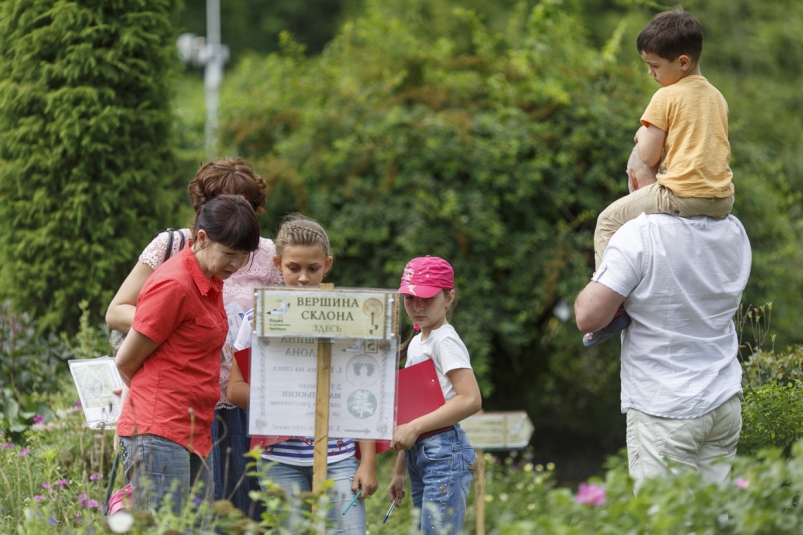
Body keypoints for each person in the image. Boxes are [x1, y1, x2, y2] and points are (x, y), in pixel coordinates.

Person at [106, 157, 281, 516]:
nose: (235, 264)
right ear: (202, 227)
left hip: (210, 414)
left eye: (241, 256)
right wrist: (149, 394)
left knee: (221, 517)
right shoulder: (177, 278)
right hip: (165, 421)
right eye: (229, 253)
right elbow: (126, 355)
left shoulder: (216, 276)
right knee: (166, 520)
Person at [574, 152, 751, 492]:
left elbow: (588, 317)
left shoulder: (638, 234)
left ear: (633, 180)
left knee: (665, 522)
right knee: (714, 519)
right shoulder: (732, 228)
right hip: (724, 397)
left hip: (667, 405)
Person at [586, 10, 735, 345]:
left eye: (654, 66)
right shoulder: (717, 97)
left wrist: (643, 136)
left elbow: (650, 157)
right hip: (722, 199)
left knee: (608, 219)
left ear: (682, 62)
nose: (651, 74)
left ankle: (613, 306)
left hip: (682, 193)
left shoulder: (666, 97)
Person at [227, 214, 378, 535]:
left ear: (328, 264)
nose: (304, 278)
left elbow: (363, 392)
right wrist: (283, 397)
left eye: (313, 268)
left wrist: (367, 462)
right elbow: (235, 389)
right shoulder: (258, 319)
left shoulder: (349, 319)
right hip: (278, 458)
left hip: (338, 457)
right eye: (293, 268)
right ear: (278, 264)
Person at [386, 256, 482, 535]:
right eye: (409, 298)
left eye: (426, 298)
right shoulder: (418, 341)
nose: (417, 306)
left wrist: (414, 427)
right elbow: (415, 412)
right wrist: (400, 471)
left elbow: (470, 399)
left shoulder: (445, 340)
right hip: (420, 453)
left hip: (445, 453)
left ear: (448, 297)